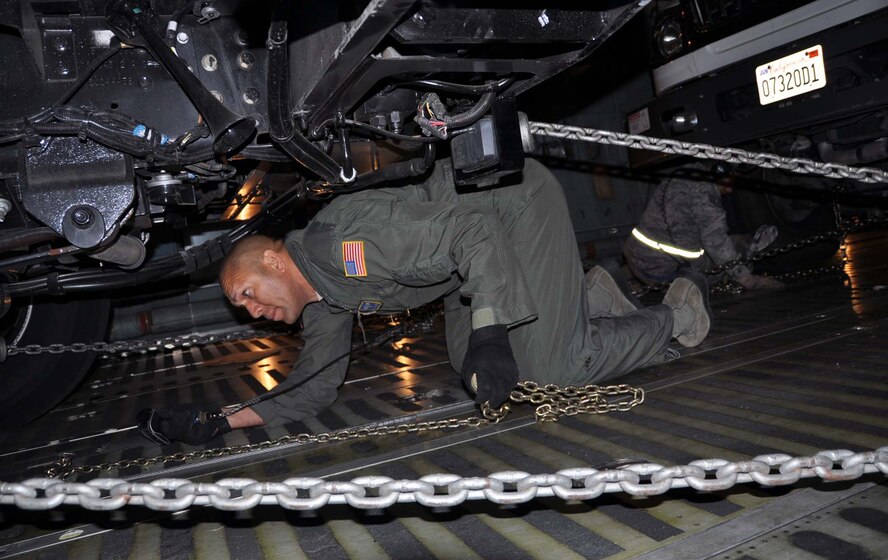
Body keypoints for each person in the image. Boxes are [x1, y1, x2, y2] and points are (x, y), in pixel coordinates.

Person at [138, 159, 713, 445]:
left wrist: (492, 330)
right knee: (474, 367)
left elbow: (472, 232)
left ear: (271, 261)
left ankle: (678, 313)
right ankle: (587, 297)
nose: (252, 312)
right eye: (242, 310)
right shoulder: (323, 295)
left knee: (553, 368)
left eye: (247, 295)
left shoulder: (345, 248)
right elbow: (313, 387)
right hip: (472, 255)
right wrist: (219, 421)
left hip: (511, 208)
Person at [623, 163, 784, 290]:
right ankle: (745, 251)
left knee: (725, 245)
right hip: (661, 273)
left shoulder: (687, 172)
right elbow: (715, 241)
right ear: (718, 172)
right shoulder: (705, 198)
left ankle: (629, 275)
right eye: (729, 182)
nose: (730, 190)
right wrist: (746, 278)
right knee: (721, 264)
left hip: (635, 255)